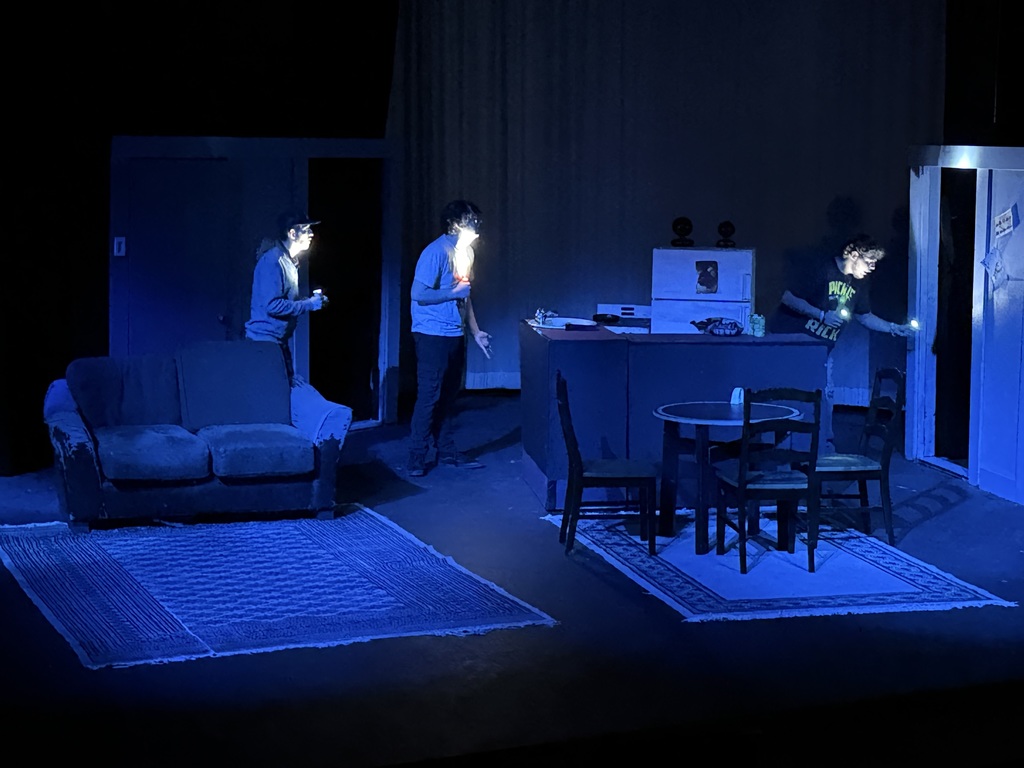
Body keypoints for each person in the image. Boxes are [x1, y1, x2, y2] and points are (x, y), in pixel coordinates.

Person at [773, 233, 914, 451]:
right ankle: (785, 456)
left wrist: (894, 328)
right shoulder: (822, 269)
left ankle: (823, 455)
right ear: (853, 254)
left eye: (875, 263)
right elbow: (788, 297)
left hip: (823, 351)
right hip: (797, 348)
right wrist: (821, 315)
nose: (872, 268)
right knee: (793, 401)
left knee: (826, 398)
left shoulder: (859, 283)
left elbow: (864, 316)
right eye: (869, 262)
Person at [407, 200, 493, 477]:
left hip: (454, 332)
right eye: (471, 221)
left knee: (448, 396)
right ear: (455, 224)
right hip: (431, 334)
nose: (477, 226)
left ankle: (445, 450)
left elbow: (464, 295)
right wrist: (451, 294)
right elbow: (418, 294)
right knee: (429, 396)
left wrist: (475, 331)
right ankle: (416, 456)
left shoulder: (466, 252)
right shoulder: (435, 252)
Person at [244, 208, 329, 383]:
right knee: (274, 399)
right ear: (292, 233)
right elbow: (272, 305)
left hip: (276, 344)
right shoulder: (273, 261)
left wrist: (310, 301)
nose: (311, 234)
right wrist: (309, 305)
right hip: (264, 346)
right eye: (305, 230)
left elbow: (281, 301)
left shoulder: (288, 261)